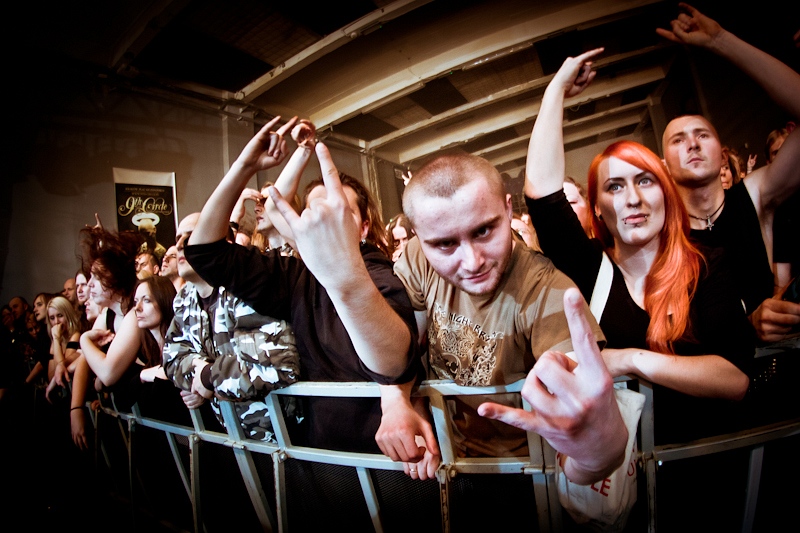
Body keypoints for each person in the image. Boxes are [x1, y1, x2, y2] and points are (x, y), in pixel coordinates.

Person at [525, 48, 751, 446]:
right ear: (597, 206)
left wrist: (631, 359)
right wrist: (557, 89)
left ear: (665, 192)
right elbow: (542, 193)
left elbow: (734, 379)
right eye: (614, 186)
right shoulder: (590, 268)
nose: (632, 198)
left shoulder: (705, 264)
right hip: (626, 477)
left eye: (645, 181)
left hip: (713, 460)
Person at [185, 115, 423, 454]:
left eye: (340, 212)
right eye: (315, 211)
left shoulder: (378, 272)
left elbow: (395, 361)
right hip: (319, 458)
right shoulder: (295, 277)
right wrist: (244, 167)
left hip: (387, 460)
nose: (324, 220)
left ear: (365, 228)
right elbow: (205, 252)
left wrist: (344, 276)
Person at [389, 150, 626, 485]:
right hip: (446, 459)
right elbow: (403, 349)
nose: (472, 262)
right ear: (418, 235)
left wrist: (599, 452)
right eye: (444, 244)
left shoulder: (547, 289)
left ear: (508, 208)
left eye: (484, 230)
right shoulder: (417, 257)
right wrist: (401, 403)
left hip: (524, 472)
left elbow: (580, 442)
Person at [657, 3, 800, 344]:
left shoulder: (754, 196)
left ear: (722, 156)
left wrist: (721, 40)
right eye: (679, 139)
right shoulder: (661, 229)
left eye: (702, 135)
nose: (692, 144)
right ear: (663, 166)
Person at [162, 213, 301, 441]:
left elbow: (275, 366)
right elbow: (171, 359)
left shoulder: (243, 286)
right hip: (235, 436)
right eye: (178, 239)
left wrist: (210, 378)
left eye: (189, 238)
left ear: (221, 247)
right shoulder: (185, 298)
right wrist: (200, 371)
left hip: (284, 438)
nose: (178, 246)